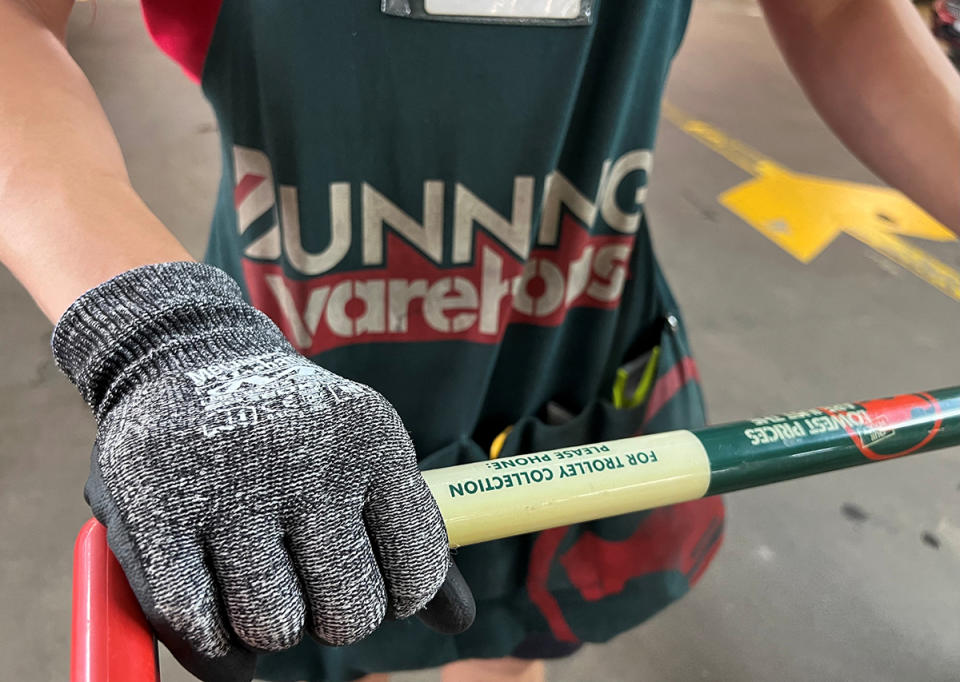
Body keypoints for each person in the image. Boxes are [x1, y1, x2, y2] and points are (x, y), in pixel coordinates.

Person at [1, 1, 958, 681]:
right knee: (324, 627)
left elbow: (838, 13)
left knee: (505, 636)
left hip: (570, 353)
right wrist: (162, 334)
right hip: (288, 381)